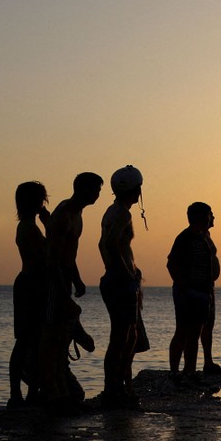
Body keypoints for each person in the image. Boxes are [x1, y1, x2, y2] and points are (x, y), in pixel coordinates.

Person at [40, 172, 103, 407]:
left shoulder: (78, 215)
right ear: (84, 190)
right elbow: (53, 258)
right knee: (51, 338)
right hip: (52, 281)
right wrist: (61, 294)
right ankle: (53, 393)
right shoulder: (65, 214)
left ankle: (61, 388)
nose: (98, 194)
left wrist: (77, 280)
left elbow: (69, 253)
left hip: (64, 278)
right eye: (96, 189)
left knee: (61, 335)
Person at [98, 165, 149, 407]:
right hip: (121, 282)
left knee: (128, 337)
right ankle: (114, 391)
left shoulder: (111, 211)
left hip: (116, 280)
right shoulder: (122, 214)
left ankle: (122, 388)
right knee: (122, 338)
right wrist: (127, 273)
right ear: (136, 190)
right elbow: (110, 244)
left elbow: (103, 245)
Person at [167, 202, 221, 378]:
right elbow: (171, 264)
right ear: (200, 217)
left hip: (202, 291)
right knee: (183, 331)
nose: (211, 218)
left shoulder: (202, 236)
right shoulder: (185, 238)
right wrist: (184, 287)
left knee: (194, 333)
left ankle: (189, 370)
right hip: (189, 292)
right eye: (209, 215)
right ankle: (175, 371)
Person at [8, 181, 50, 408]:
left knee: (34, 340)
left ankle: (32, 391)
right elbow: (45, 258)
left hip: (33, 284)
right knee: (26, 340)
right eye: (40, 198)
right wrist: (50, 226)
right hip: (30, 286)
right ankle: (17, 394)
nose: (42, 202)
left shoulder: (30, 227)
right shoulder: (27, 228)